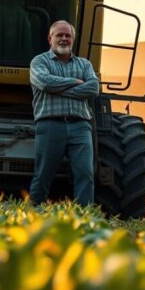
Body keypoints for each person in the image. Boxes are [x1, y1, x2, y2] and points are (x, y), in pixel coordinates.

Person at [29, 20, 99, 206]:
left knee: (85, 174)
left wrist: (58, 89)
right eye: (59, 35)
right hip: (50, 125)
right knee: (43, 175)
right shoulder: (39, 61)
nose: (64, 39)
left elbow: (93, 88)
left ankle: (85, 216)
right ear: (50, 38)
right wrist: (75, 82)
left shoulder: (84, 64)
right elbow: (45, 83)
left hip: (80, 126)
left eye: (68, 35)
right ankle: (33, 213)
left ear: (73, 39)